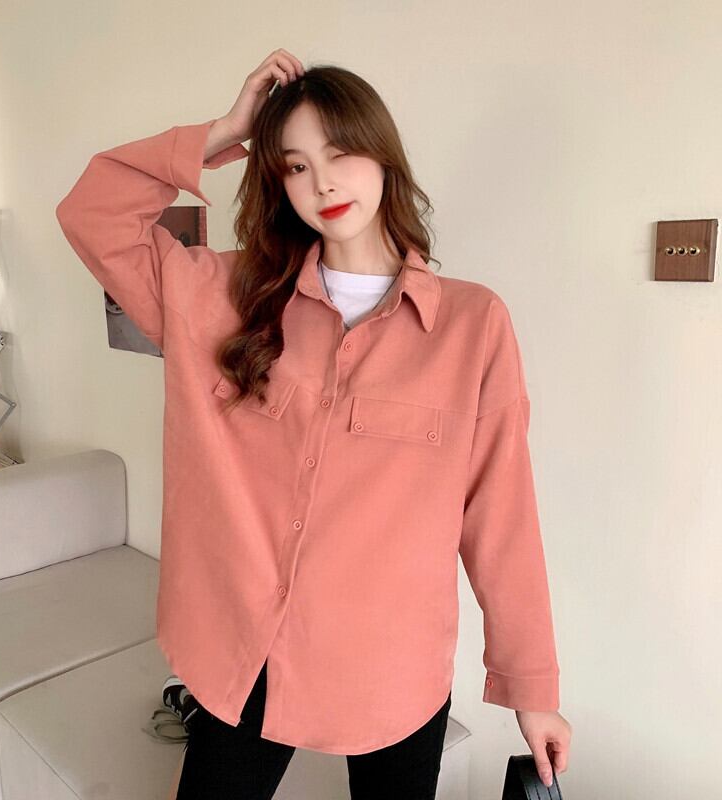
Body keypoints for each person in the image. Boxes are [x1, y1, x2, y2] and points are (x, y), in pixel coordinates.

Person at [57, 48, 572, 800]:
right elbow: (91, 214)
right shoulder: (222, 294)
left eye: (340, 153)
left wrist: (533, 691)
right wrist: (226, 130)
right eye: (295, 165)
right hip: (248, 655)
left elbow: (502, 516)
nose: (323, 182)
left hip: (391, 670)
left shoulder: (473, 324)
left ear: (383, 155)